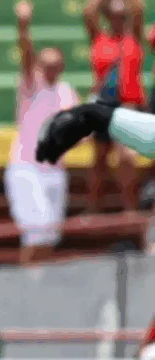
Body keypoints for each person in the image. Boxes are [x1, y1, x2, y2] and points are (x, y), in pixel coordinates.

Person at [6, 1, 80, 264]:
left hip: (55, 171)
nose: (49, 69)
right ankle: (24, 283)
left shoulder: (66, 92)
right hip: (27, 168)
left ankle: (37, 284)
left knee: (49, 237)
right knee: (37, 234)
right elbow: (25, 51)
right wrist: (23, 25)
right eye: (44, 64)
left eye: (54, 64)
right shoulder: (30, 84)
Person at [84, 0, 144, 213]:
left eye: (122, 16)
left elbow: (139, 8)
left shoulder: (133, 38)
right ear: (107, 18)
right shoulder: (99, 39)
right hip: (102, 105)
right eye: (113, 16)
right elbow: (89, 10)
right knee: (99, 159)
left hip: (126, 105)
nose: (118, 20)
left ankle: (130, 209)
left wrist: (127, 4)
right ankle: (92, 209)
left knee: (126, 158)